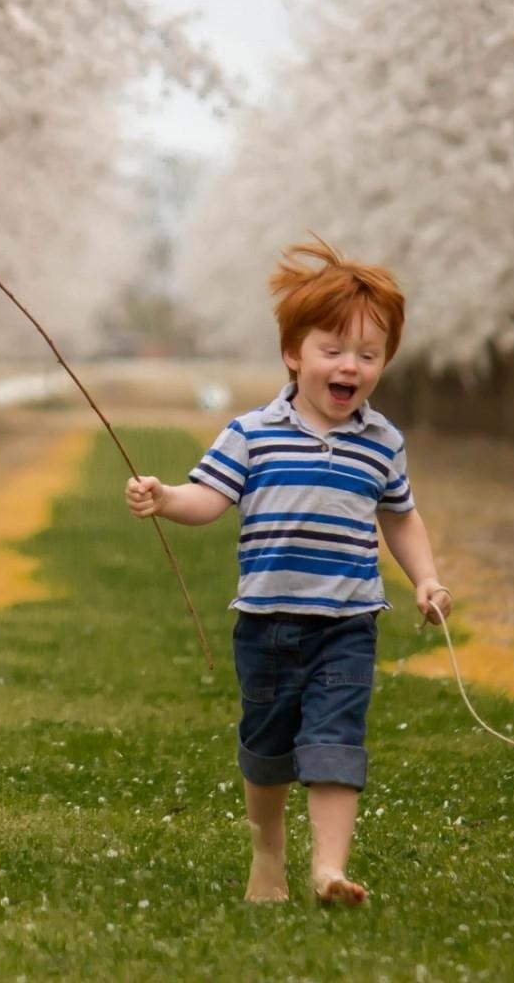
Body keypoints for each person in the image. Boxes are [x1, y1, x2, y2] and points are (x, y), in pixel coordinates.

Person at [124, 239, 452, 905]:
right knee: (269, 746)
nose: (350, 367)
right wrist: (165, 499)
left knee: (336, 738)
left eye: (368, 355)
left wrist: (424, 577)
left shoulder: (382, 441)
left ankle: (328, 868)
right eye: (333, 350)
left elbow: (401, 517)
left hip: (349, 622)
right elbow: (208, 498)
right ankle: (268, 856)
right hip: (268, 621)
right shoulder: (252, 433)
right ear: (293, 354)